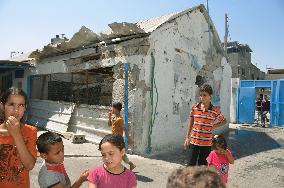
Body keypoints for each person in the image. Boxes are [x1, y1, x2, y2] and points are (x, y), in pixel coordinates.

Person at [0, 87, 37, 188]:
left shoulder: (31, 131)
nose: (16, 110)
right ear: (2, 106)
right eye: (11, 104)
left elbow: (29, 165)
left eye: (21, 105)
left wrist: (17, 135)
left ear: (25, 108)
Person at [184, 84, 227, 166]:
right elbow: (191, 123)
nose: (202, 97)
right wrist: (187, 138)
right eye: (200, 95)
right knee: (190, 165)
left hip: (206, 143)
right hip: (194, 142)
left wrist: (214, 126)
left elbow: (224, 121)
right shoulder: (195, 107)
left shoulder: (215, 110)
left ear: (210, 96)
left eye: (204, 95)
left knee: (203, 166)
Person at [108, 102, 136, 170]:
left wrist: (129, 138)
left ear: (117, 109)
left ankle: (115, 166)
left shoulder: (120, 119)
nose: (112, 109)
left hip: (118, 139)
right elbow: (109, 125)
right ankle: (130, 164)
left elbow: (125, 129)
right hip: (114, 138)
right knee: (119, 153)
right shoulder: (114, 117)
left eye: (113, 108)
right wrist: (109, 117)